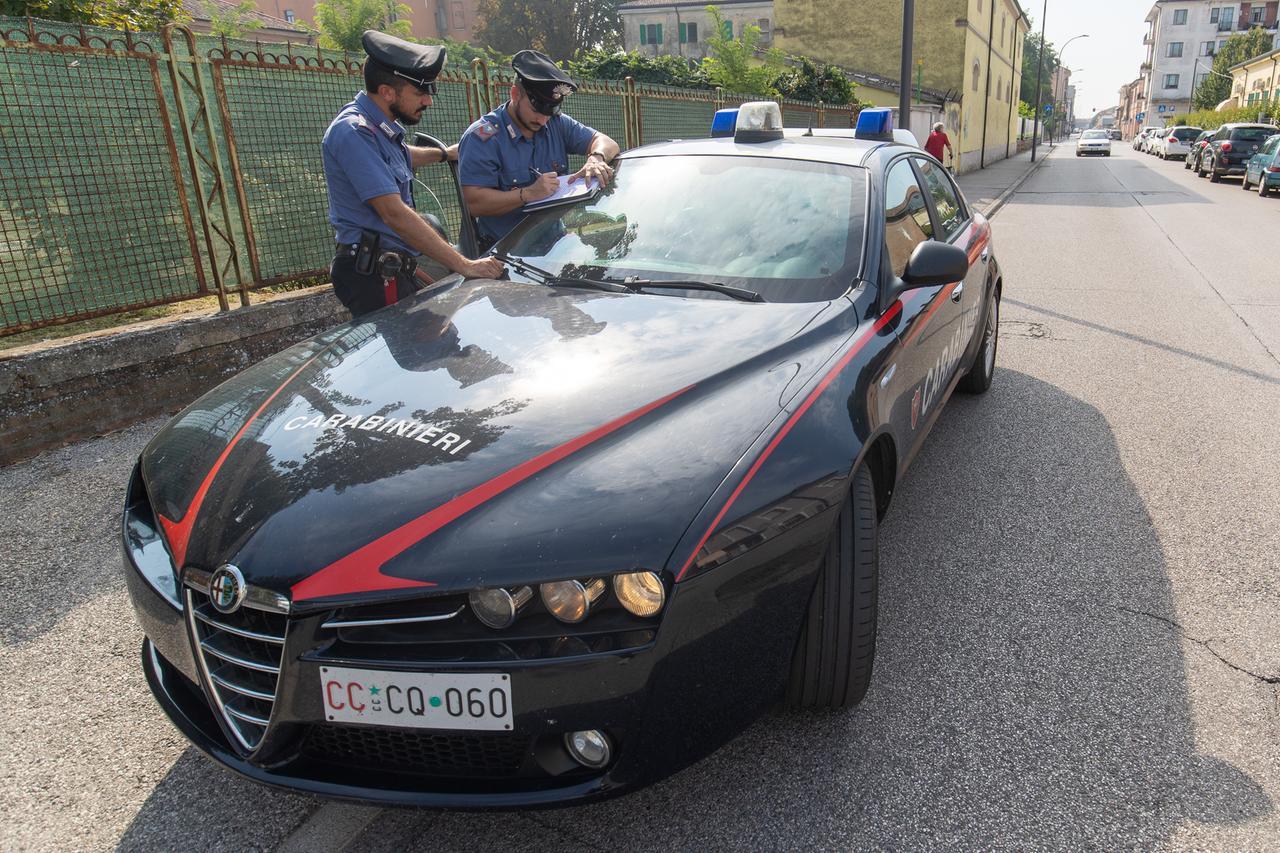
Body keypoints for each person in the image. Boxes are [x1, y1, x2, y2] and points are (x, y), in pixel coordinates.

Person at [322, 30, 503, 318]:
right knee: (420, 355)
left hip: (390, 270)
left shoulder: (378, 127)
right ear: (387, 92)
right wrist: (464, 264)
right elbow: (393, 213)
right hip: (375, 276)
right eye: (419, 93)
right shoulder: (354, 131)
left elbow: (401, 154)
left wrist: (444, 153)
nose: (427, 101)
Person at [458, 49, 620, 248]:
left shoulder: (556, 124)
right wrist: (527, 194)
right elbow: (474, 203)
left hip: (554, 248)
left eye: (550, 113)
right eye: (536, 111)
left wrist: (596, 157)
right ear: (515, 94)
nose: (543, 121)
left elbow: (606, 142)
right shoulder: (484, 137)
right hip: (502, 255)